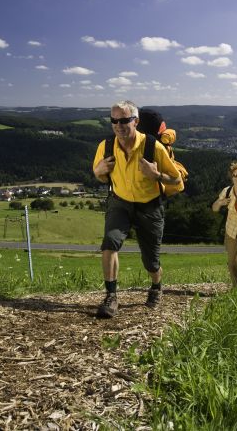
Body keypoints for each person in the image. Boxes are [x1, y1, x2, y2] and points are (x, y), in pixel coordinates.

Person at [92, 100, 183, 318]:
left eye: (124, 120)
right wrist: (98, 171)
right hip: (119, 203)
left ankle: (156, 286)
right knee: (109, 244)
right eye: (114, 120)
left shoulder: (153, 146)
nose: (118, 125)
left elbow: (177, 180)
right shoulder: (105, 146)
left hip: (149, 207)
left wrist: (157, 175)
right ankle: (111, 297)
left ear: (136, 121)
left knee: (150, 262)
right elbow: (99, 174)